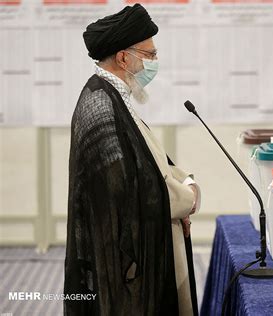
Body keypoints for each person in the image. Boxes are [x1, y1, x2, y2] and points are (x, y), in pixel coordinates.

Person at [64, 4, 200, 315]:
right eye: (150, 55)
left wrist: (185, 183)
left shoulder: (111, 95)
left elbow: (148, 159)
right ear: (124, 57)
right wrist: (186, 198)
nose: (155, 62)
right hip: (125, 268)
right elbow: (125, 189)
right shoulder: (101, 106)